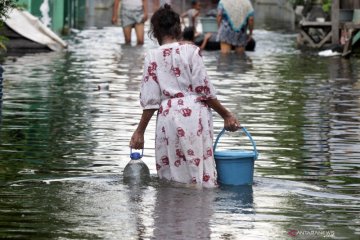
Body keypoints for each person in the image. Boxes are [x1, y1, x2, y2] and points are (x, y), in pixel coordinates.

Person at [130, 4, 240, 188]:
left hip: (167, 118)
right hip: (194, 116)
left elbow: (150, 101)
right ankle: (199, 212)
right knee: (198, 174)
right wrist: (226, 114)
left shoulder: (152, 56)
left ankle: (170, 213)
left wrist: (139, 131)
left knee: (171, 175)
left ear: (155, 32)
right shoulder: (191, 51)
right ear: (178, 28)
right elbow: (205, 91)